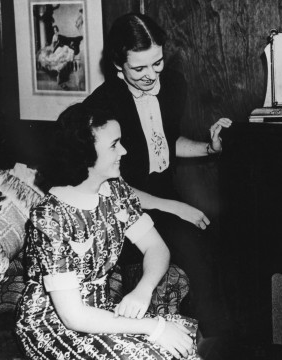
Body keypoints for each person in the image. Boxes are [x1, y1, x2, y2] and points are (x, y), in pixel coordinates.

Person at [83, 13, 231, 339]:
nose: (151, 76)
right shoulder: (102, 107)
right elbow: (108, 186)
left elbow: (164, 141)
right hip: (120, 209)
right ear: (117, 65)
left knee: (209, 258)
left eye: (157, 63)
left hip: (164, 199)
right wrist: (173, 207)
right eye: (139, 68)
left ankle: (214, 346)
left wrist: (211, 148)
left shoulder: (174, 84)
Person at [15, 103, 200, 360]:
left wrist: (142, 290)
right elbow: (73, 316)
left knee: (184, 339)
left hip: (101, 312)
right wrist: (153, 327)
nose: (123, 151)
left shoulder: (115, 191)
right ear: (84, 154)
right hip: (53, 322)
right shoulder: (50, 217)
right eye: (114, 145)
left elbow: (156, 248)